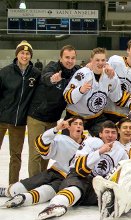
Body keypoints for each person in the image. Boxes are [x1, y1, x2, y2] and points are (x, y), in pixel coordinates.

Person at [36, 121, 128, 220]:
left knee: (108, 191)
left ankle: (108, 205)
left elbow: (125, 171)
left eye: (113, 132)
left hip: (95, 187)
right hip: (79, 177)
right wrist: (100, 151)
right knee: (76, 188)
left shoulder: (121, 151)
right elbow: (79, 166)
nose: (110, 135)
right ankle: (55, 205)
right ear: (100, 134)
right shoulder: (91, 142)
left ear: (117, 135)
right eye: (107, 132)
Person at [2, 117, 85, 208]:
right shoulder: (61, 139)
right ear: (68, 127)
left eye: (80, 124)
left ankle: (24, 198)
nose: (78, 126)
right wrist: (56, 129)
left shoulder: (90, 143)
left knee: (47, 190)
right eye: (75, 124)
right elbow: (42, 146)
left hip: (67, 179)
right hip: (53, 172)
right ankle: (7, 191)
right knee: (18, 188)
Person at [27, 45, 80, 177]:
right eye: (67, 57)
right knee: (36, 152)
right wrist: (52, 79)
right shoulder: (52, 67)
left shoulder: (76, 72)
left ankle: (41, 180)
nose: (70, 60)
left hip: (53, 119)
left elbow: (90, 69)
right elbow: (46, 76)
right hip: (37, 117)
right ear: (60, 58)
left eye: (72, 58)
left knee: (46, 152)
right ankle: (33, 183)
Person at [0, 40, 41, 190]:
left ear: (31, 56)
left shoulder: (35, 74)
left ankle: (12, 185)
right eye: (22, 53)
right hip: (1, 119)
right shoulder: (5, 72)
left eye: (28, 53)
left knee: (16, 156)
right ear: (17, 54)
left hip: (19, 121)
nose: (25, 55)